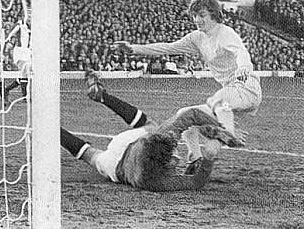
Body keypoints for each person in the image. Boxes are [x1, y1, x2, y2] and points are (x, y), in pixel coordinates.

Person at [113, 0, 262, 142]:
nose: (197, 19)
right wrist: (133, 49)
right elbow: (168, 48)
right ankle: (196, 160)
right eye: (194, 15)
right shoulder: (196, 38)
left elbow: (241, 52)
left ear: (214, 14)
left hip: (246, 88)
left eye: (202, 15)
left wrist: (243, 68)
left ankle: (229, 133)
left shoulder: (225, 33)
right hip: (228, 96)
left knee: (216, 100)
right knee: (184, 115)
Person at [60, 72, 244, 192]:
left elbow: (192, 114)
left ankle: (103, 97)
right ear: (167, 162)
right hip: (116, 168)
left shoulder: (158, 139)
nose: (176, 158)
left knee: (150, 125)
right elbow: (195, 182)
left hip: (127, 143)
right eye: (174, 158)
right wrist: (214, 150)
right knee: (91, 156)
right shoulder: (152, 181)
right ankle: (53, 131)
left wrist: (222, 135)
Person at [3, 17, 32, 106]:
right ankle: (25, 96)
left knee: (25, 74)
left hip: (27, 52)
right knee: (25, 71)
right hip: (19, 51)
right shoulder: (21, 23)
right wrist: (8, 38)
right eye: (29, 14)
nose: (30, 17)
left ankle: (7, 89)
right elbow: (14, 31)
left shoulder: (33, 26)